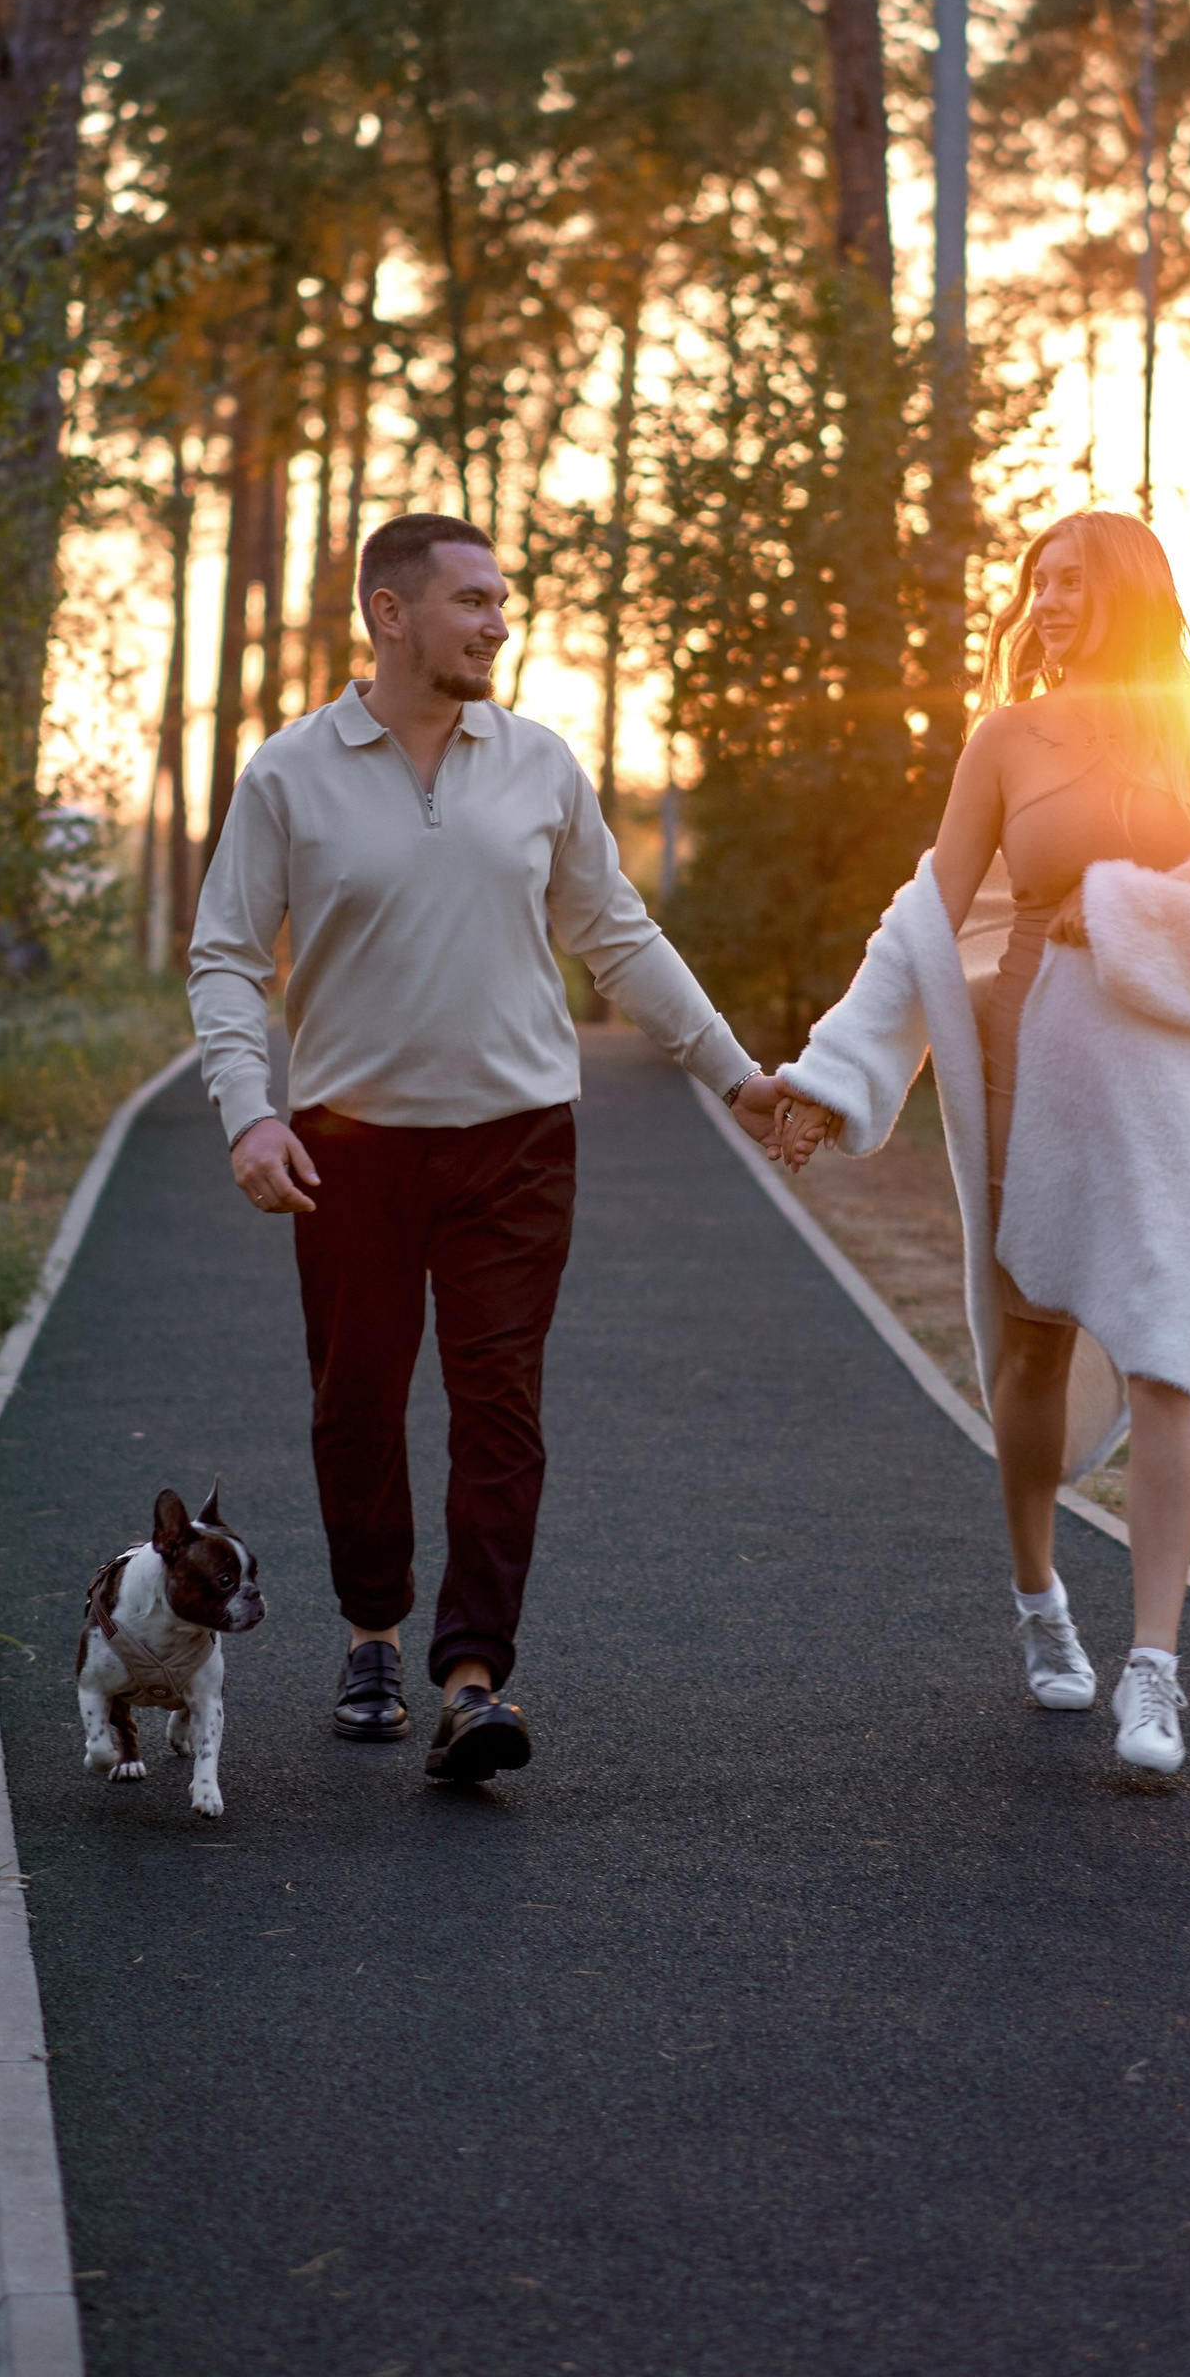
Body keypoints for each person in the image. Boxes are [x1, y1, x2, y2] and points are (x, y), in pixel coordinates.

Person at [188, 512, 785, 1783]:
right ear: (390, 614)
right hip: (346, 1148)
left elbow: (618, 937)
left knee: (496, 1408)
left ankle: (470, 1679)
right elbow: (228, 958)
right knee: (354, 1407)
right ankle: (371, 1635)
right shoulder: (288, 773)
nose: (497, 623)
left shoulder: (539, 766)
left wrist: (732, 1073)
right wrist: (250, 1112)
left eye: (503, 602)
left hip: (516, 1143)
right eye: (471, 601)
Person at [766, 511, 1190, 1780]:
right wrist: (828, 1072)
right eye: (1034, 583)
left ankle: (1156, 1667)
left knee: (1171, 1356)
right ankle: (1037, 1593)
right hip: (1026, 1070)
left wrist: (1117, 907)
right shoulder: (1005, 740)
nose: (1045, 603)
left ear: (1127, 593)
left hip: (1173, 1088)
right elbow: (924, 922)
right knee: (1032, 1354)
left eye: (1069, 582)